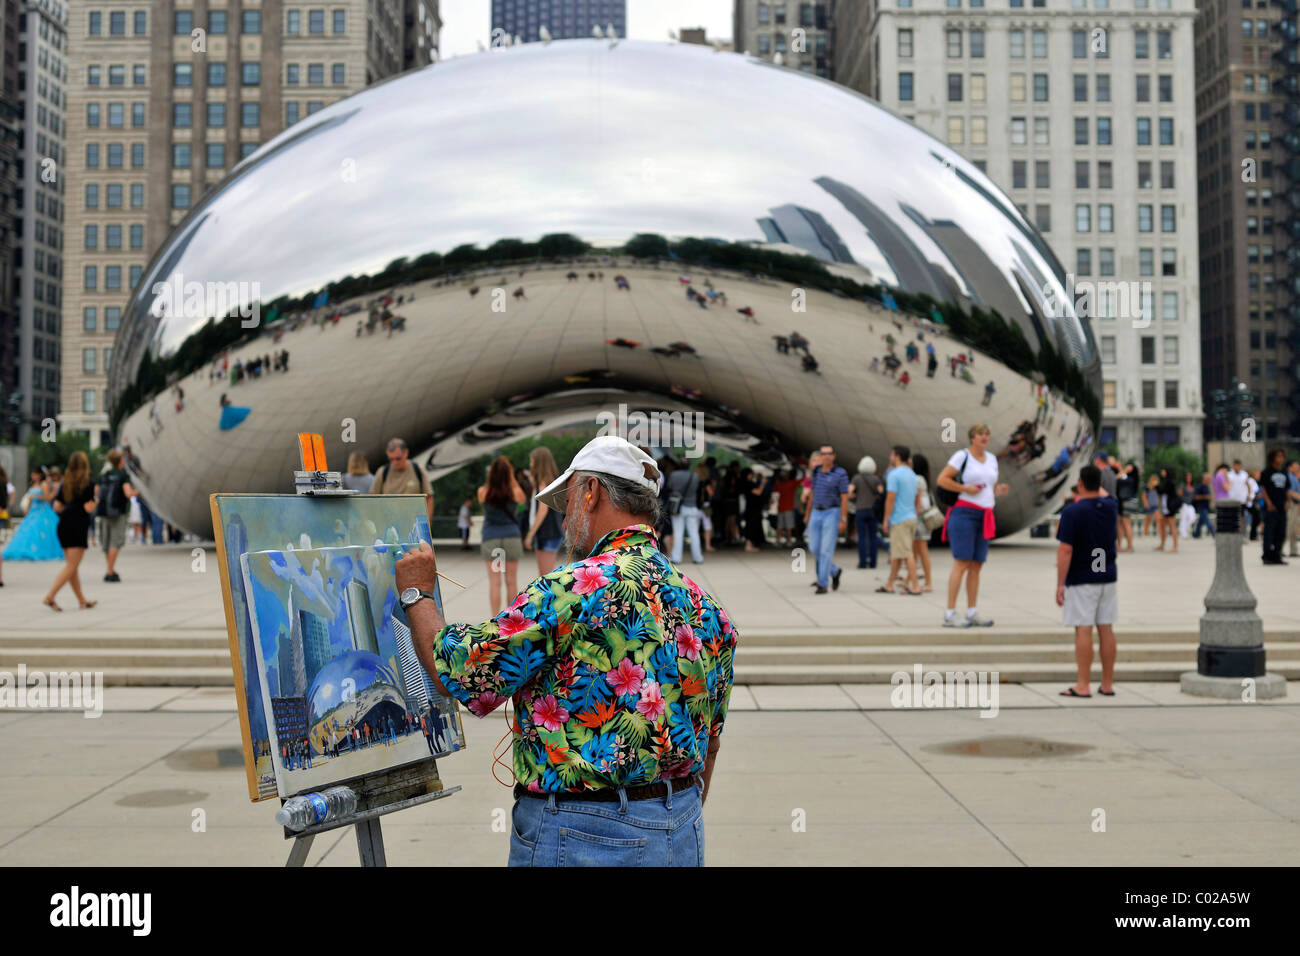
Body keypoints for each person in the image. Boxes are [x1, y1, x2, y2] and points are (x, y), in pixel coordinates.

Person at [396, 434, 737, 868]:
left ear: (591, 492)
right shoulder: (705, 607)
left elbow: (461, 672)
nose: (562, 519)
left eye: (567, 500)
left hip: (583, 833)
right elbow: (711, 742)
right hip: (682, 826)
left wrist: (417, 593)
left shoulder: (573, 588)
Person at [937, 423, 1010, 627]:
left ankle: (972, 611)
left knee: (977, 565)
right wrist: (964, 488)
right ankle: (950, 613)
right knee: (961, 562)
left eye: (987, 434)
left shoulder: (993, 459)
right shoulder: (962, 456)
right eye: (980, 434)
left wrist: (998, 490)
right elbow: (942, 479)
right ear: (972, 438)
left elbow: (989, 486)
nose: (984, 437)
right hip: (964, 512)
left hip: (985, 514)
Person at [1056, 465, 1119, 698]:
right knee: (1106, 628)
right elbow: (1105, 495)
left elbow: (1065, 550)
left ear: (1080, 484)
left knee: (1083, 628)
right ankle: (1107, 683)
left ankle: (1083, 684)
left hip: (1083, 576)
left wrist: (1060, 583)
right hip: (1107, 573)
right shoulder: (1111, 507)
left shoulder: (1073, 512)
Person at [44, 451, 98, 612]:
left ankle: (82, 601)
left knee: (72, 566)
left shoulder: (65, 483)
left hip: (64, 523)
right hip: (78, 524)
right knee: (72, 566)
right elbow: (89, 507)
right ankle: (50, 596)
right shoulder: (88, 483)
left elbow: (57, 506)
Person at [477, 456, 527, 616]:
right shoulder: (515, 492)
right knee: (511, 581)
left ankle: (494, 619)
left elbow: (485, 499)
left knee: (495, 582)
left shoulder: (483, 492)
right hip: (511, 538)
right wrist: (511, 477)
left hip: (491, 539)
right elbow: (523, 502)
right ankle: (512, 619)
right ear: (509, 474)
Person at [803, 444, 849, 595]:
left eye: (829, 454)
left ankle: (822, 584)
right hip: (816, 511)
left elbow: (844, 497)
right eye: (823, 454)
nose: (826, 456)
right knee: (814, 547)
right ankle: (834, 571)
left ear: (834, 456)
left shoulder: (840, 473)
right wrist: (808, 513)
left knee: (826, 550)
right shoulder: (816, 472)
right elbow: (813, 493)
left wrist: (843, 518)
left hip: (832, 512)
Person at [879, 446, 922, 595]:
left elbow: (890, 498)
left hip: (899, 518)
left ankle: (915, 585)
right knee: (897, 553)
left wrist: (886, 519)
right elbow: (918, 497)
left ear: (897, 457)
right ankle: (890, 583)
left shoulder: (894, 475)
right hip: (910, 517)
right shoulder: (912, 475)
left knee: (906, 553)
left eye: (892, 454)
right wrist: (915, 513)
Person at [2, 467, 63, 562]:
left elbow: (47, 498)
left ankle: (39, 551)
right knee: (27, 530)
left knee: (39, 531)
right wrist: (27, 509)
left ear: (40, 475)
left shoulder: (44, 484)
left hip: (42, 511)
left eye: (35, 474)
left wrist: (36, 496)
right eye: (32, 474)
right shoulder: (33, 485)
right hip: (32, 511)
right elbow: (30, 499)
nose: (33, 476)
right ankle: (25, 550)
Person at [95, 449, 137, 583]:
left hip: (104, 512)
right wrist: (138, 491)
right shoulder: (123, 475)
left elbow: (96, 493)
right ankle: (109, 571)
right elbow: (128, 493)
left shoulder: (104, 475)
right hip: (118, 512)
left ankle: (110, 569)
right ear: (120, 461)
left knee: (106, 542)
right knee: (115, 542)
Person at [370, 438, 433, 525]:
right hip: (389, 525)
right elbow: (373, 499)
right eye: (391, 459)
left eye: (398, 458)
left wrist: (427, 523)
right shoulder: (382, 472)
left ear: (406, 453)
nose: (395, 462)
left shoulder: (418, 470)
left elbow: (429, 498)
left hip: (413, 524)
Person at [522, 446, 564, 576]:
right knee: (547, 576)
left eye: (532, 461)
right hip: (551, 533)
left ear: (539, 463)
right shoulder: (550, 482)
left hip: (547, 534)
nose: (531, 464)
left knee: (546, 578)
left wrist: (530, 534)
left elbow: (542, 511)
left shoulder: (543, 484)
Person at [666, 456, 704, 564]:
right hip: (692, 506)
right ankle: (698, 557)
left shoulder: (674, 475)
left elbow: (670, 487)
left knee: (678, 533)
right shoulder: (695, 476)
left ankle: (677, 558)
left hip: (678, 507)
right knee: (694, 533)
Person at [850, 456, 883, 569]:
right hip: (873, 510)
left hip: (860, 510)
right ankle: (873, 562)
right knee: (873, 537)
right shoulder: (876, 479)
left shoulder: (856, 478)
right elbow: (881, 493)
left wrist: (856, 496)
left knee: (862, 537)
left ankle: (862, 562)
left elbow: (850, 492)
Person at [1260, 448, 1290, 565]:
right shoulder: (1266, 472)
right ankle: (1267, 556)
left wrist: (1288, 501)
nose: (1281, 459)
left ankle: (1277, 555)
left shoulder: (1284, 472)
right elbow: (1263, 488)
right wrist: (1268, 502)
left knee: (1281, 532)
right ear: (1273, 458)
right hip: (1271, 507)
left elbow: (1286, 488)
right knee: (1269, 532)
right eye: (1278, 456)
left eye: (1282, 456)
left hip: (1282, 505)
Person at [911, 453, 935, 592]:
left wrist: (913, 516)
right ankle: (911, 578)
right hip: (921, 517)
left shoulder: (917, 479)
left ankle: (928, 582)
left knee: (921, 549)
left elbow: (917, 499)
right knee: (915, 551)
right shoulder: (923, 478)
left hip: (919, 517)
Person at [772, 468, 800, 547]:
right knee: (787, 526)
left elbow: (773, 489)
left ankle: (780, 540)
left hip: (784, 508)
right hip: (786, 508)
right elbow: (803, 480)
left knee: (782, 526)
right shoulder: (791, 483)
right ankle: (787, 541)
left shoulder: (783, 484)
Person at [1156, 468, 1179, 553]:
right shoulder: (1168, 481)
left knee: (1172, 526)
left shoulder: (1169, 482)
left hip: (1170, 507)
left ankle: (1175, 547)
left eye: (1163, 471)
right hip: (1167, 507)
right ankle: (1162, 544)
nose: (1161, 472)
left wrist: (1156, 486)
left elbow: (1162, 491)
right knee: (1162, 525)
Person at [1191, 473, 1214, 539]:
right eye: (1208, 479)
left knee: (1201, 522)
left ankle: (1196, 534)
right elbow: (1195, 497)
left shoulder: (1207, 486)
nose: (1209, 480)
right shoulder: (1200, 486)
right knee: (1207, 521)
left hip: (1206, 507)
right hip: (1201, 507)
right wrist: (1205, 497)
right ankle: (1214, 534)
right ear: (1204, 479)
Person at [1287, 461, 1300, 558]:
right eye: (1296, 466)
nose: (1298, 467)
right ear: (1290, 467)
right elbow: (1290, 492)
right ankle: (1278, 548)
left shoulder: (1294, 477)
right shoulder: (1290, 477)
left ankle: (1293, 550)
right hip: (1291, 504)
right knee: (1289, 527)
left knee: (1293, 527)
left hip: (1295, 504)